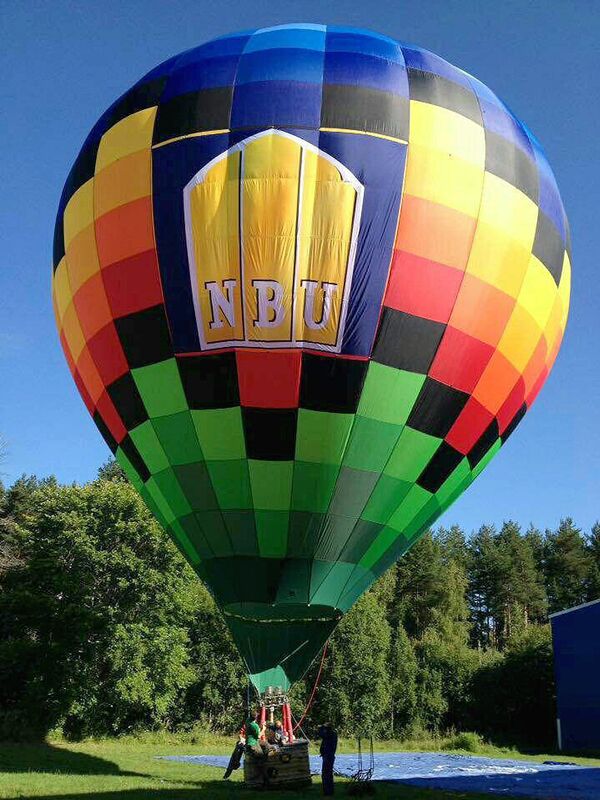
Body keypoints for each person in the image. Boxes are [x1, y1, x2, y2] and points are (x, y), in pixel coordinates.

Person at [318, 723, 338, 796]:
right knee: (328, 774)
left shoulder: (331, 734)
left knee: (326, 774)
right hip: (328, 755)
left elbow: (322, 735)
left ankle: (328, 791)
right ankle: (329, 791)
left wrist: (321, 728)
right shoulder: (332, 734)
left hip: (328, 756)